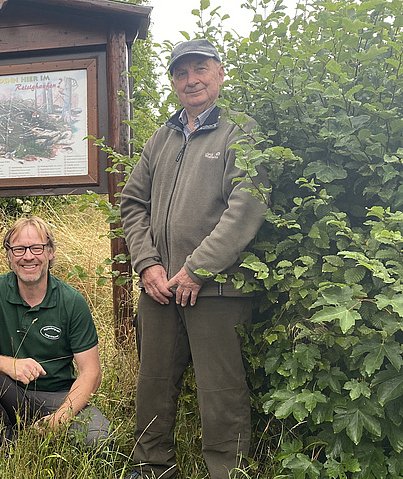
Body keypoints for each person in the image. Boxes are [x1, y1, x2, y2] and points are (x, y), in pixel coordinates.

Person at [120, 39, 269, 479]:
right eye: (182, 73)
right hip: (160, 288)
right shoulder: (162, 137)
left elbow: (247, 205)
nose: (192, 80)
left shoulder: (241, 130)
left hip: (216, 289)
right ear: (173, 83)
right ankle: (151, 467)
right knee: (153, 385)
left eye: (201, 69)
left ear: (220, 74)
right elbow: (132, 202)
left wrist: (198, 268)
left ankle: (228, 472)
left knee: (220, 391)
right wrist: (147, 264)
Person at [0, 217, 111, 448]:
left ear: (50, 252)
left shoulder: (71, 300)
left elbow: (91, 372)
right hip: (11, 390)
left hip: (59, 395)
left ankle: (47, 432)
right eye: (19, 249)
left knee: (98, 439)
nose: (28, 256)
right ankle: (4, 446)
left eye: (37, 248)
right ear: (9, 255)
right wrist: (11, 365)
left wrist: (61, 417)